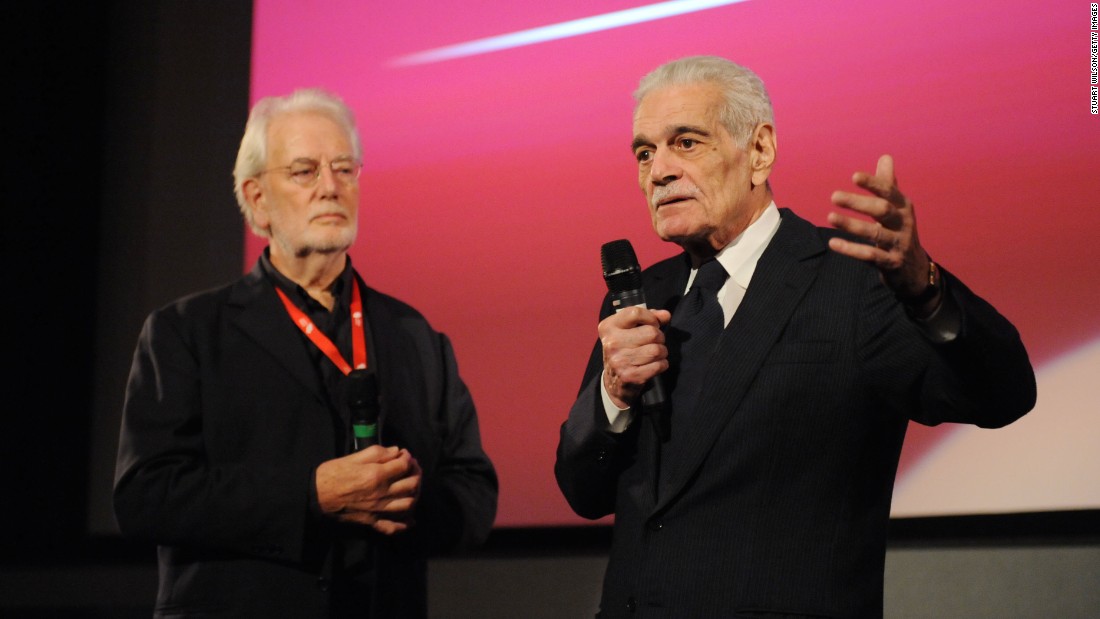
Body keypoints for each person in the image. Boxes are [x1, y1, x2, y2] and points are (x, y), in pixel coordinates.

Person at [554, 56, 1035, 618]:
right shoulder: (641, 295)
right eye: (644, 152)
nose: (658, 170)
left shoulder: (852, 281)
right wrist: (613, 394)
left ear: (759, 151)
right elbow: (583, 492)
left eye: (685, 143)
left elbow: (1002, 395)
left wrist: (926, 289)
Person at [114, 88, 497, 618]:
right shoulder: (186, 332)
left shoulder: (414, 335)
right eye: (304, 171)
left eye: (344, 169)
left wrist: (409, 503)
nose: (330, 188)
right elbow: (146, 497)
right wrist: (310, 494)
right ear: (256, 198)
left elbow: (474, 491)